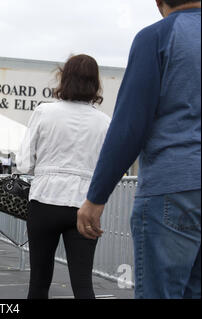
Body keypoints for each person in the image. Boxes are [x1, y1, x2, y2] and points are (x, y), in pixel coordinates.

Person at [77, 0, 201, 299]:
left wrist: (96, 196)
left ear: (159, 3)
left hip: (173, 185)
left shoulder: (157, 36)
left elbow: (130, 124)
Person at [16, 54, 111, 299]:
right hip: (84, 204)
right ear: (95, 83)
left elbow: (24, 163)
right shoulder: (104, 122)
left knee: (38, 281)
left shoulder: (44, 112)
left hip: (45, 200)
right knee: (82, 283)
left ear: (64, 78)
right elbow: (109, 167)